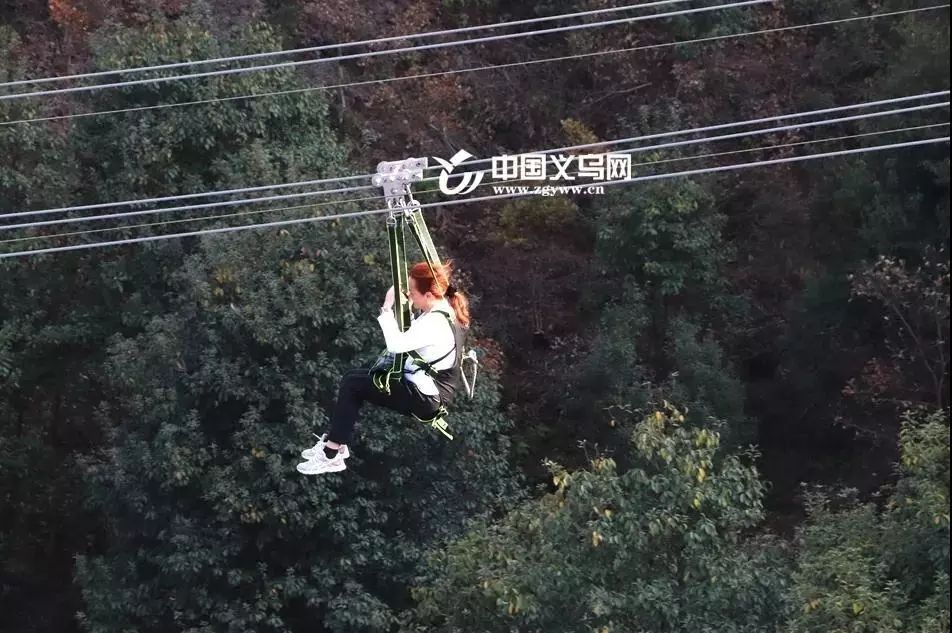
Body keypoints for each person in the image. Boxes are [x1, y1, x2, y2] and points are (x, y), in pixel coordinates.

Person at [296, 261, 470, 475]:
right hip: (423, 388)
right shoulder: (440, 308)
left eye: (413, 292)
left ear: (428, 295)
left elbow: (396, 345)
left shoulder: (435, 323)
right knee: (352, 378)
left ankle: (332, 453)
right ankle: (335, 445)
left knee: (352, 385)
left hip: (424, 398)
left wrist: (387, 307)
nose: (410, 295)